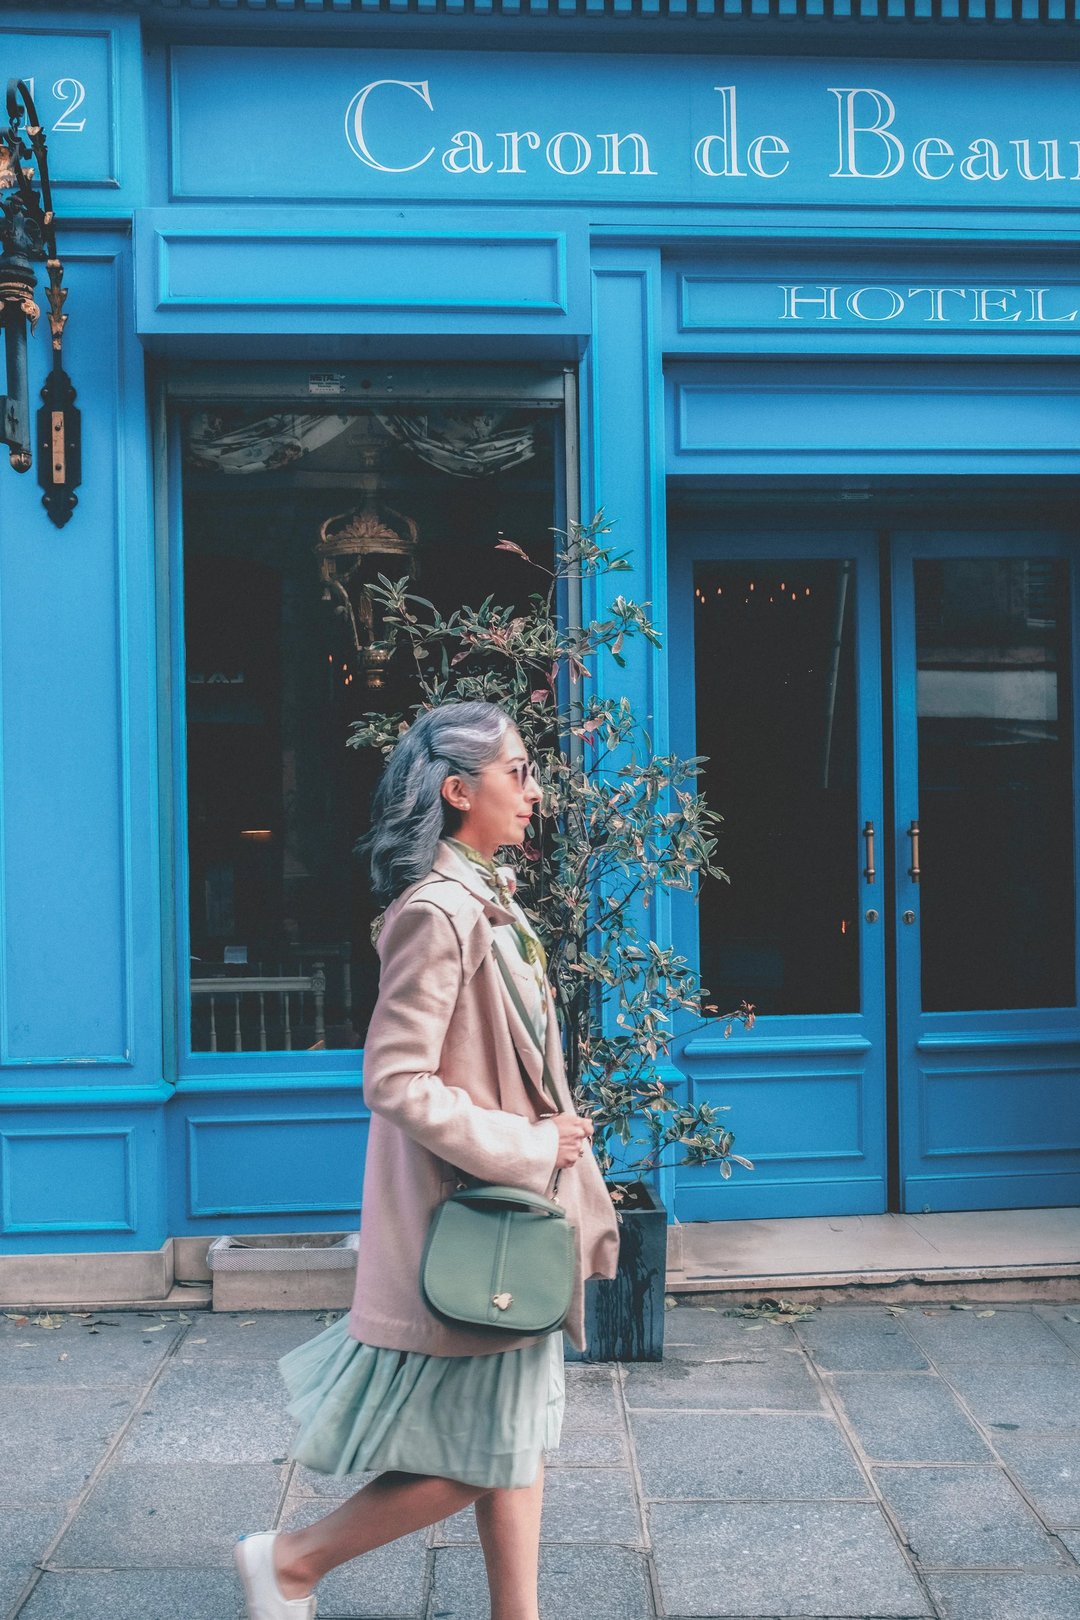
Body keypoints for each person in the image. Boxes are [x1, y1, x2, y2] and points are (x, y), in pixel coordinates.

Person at [234, 699, 620, 1620]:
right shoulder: (438, 913)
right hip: (477, 1223)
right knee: (479, 1453)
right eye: (517, 773)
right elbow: (396, 1082)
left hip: (510, 1220)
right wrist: (532, 1143)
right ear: (458, 791)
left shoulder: (492, 898)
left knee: (511, 1438)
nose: (535, 790)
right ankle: (288, 1562)